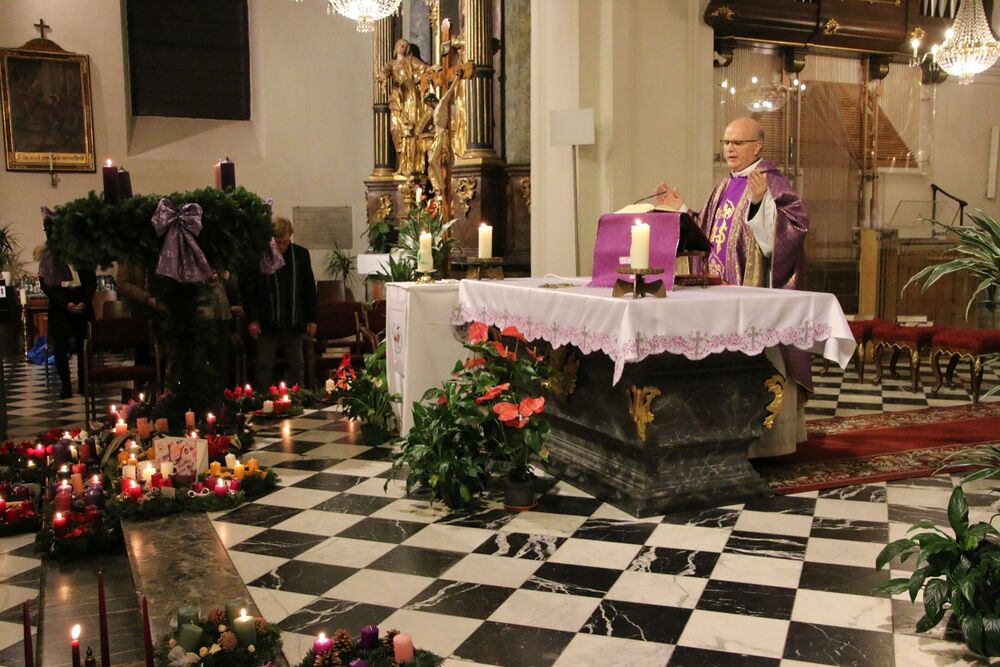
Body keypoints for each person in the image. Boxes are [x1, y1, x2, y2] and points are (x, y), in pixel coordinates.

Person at [657, 117, 811, 456]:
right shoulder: (724, 186)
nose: (729, 148)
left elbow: (792, 233)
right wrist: (680, 210)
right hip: (720, 295)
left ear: (757, 146)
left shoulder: (772, 182)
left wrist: (760, 203)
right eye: (726, 142)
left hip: (754, 300)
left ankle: (765, 443)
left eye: (737, 142)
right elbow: (708, 234)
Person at [243, 216, 317, 388]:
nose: (282, 247)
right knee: (264, 364)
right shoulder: (260, 255)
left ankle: (297, 398)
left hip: (294, 318)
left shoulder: (300, 254)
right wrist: (252, 319)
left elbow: (309, 288)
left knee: (296, 364)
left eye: (285, 242)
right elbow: (249, 290)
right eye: (278, 243)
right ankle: (263, 399)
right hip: (267, 318)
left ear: (290, 236)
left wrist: (312, 319)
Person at [38, 217, 96, 399]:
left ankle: (84, 384)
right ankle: (65, 386)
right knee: (60, 347)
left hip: (81, 301)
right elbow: (46, 285)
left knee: (83, 344)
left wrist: (84, 302)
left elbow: (91, 281)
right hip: (60, 304)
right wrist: (66, 304)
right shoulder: (48, 256)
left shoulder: (81, 253)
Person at [378, 38, 432, 178]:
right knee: (395, 129)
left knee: (410, 131)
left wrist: (431, 70)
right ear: (395, 47)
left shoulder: (411, 60)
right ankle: (402, 163)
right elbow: (386, 71)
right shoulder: (392, 63)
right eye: (400, 44)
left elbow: (425, 68)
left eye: (405, 45)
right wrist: (382, 76)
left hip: (410, 98)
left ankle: (411, 166)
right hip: (397, 99)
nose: (402, 46)